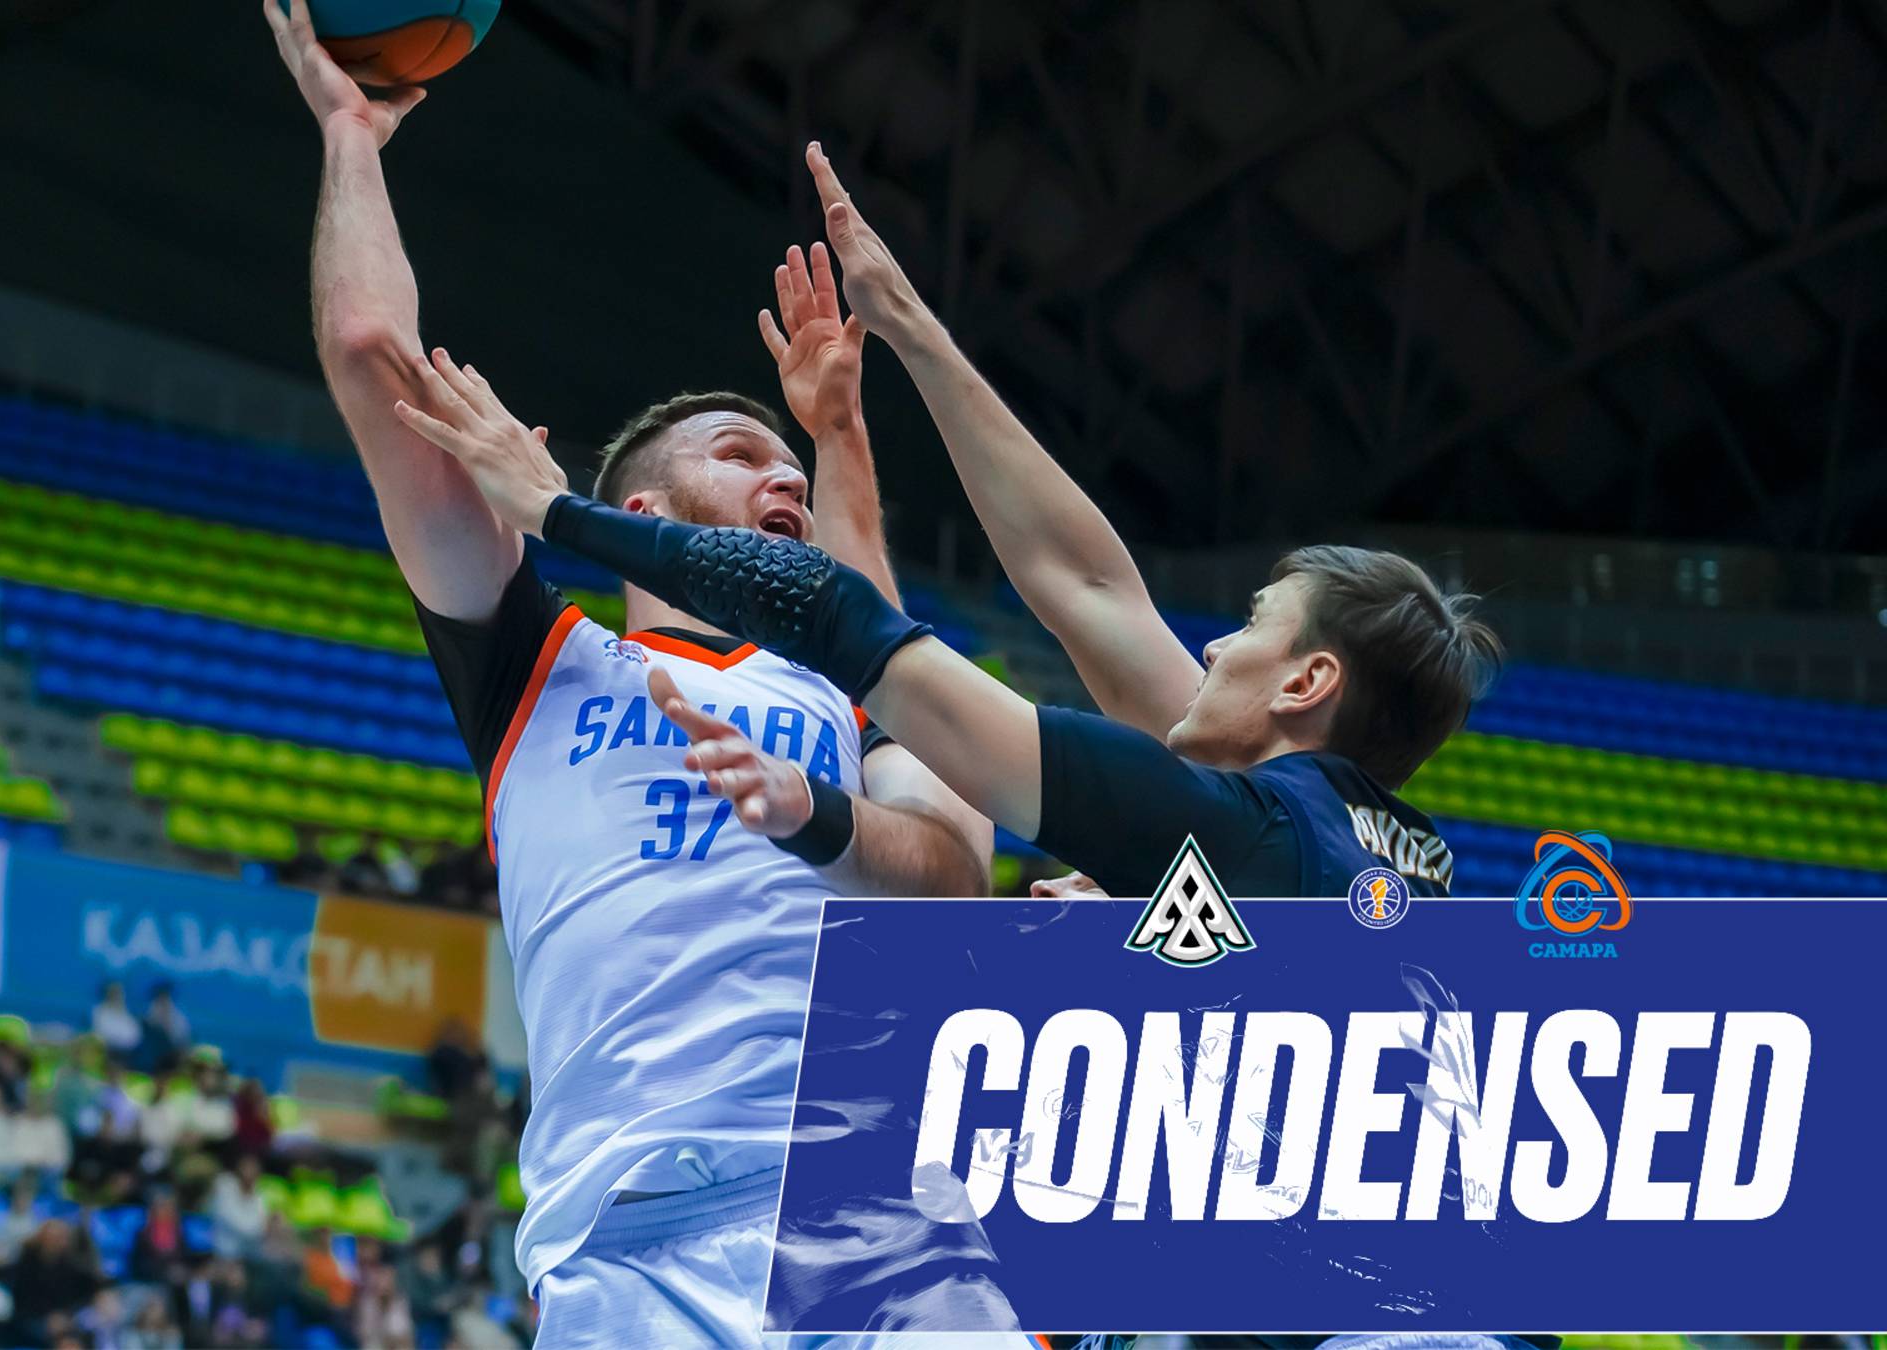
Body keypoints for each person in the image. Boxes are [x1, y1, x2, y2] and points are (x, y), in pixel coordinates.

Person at [266, 4, 1002, 1345]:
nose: (783, 473)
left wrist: (840, 434)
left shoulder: (850, 702)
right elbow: (374, 366)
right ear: (642, 511)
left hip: (878, 1208)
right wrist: (349, 137)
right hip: (635, 1238)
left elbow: (956, 879)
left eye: (791, 465)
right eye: (741, 451)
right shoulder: (541, 663)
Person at [397, 140, 1506, 908]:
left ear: (1307, 681)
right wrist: (907, 327)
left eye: (1253, 625)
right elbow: (1087, 588)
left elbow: (840, 619)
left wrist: (554, 510)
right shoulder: (1385, 865)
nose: (1211, 647)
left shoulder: (1221, 828)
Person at [87, 981, 139, 1059]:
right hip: (106, 1054)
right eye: (114, 993)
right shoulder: (99, 1012)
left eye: (120, 994)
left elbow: (135, 1038)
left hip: (127, 1055)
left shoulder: (126, 1015)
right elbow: (102, 1036)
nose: (118, 997)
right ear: (107, 995)